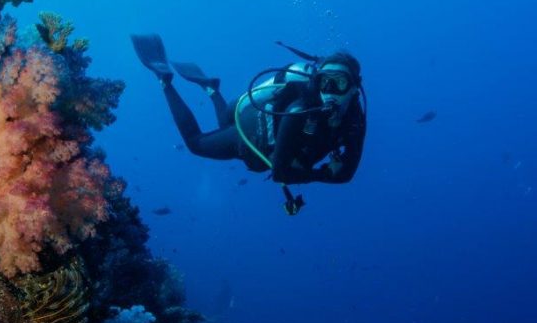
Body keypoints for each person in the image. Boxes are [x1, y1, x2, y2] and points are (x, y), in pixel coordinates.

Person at [131, 34, 366, 214]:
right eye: (325, 83)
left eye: (340, 83)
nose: (331, 92)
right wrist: (319, 174)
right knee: (195, 144)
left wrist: (322, 172)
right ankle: (164, 79)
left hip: (251, 120)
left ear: (354, 88)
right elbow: (280, 172)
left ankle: (211, 88)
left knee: (224, 120)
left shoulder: (355, 121)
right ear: (317, 82)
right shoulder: (299, 111)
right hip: (252, 137)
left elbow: (347, 174)